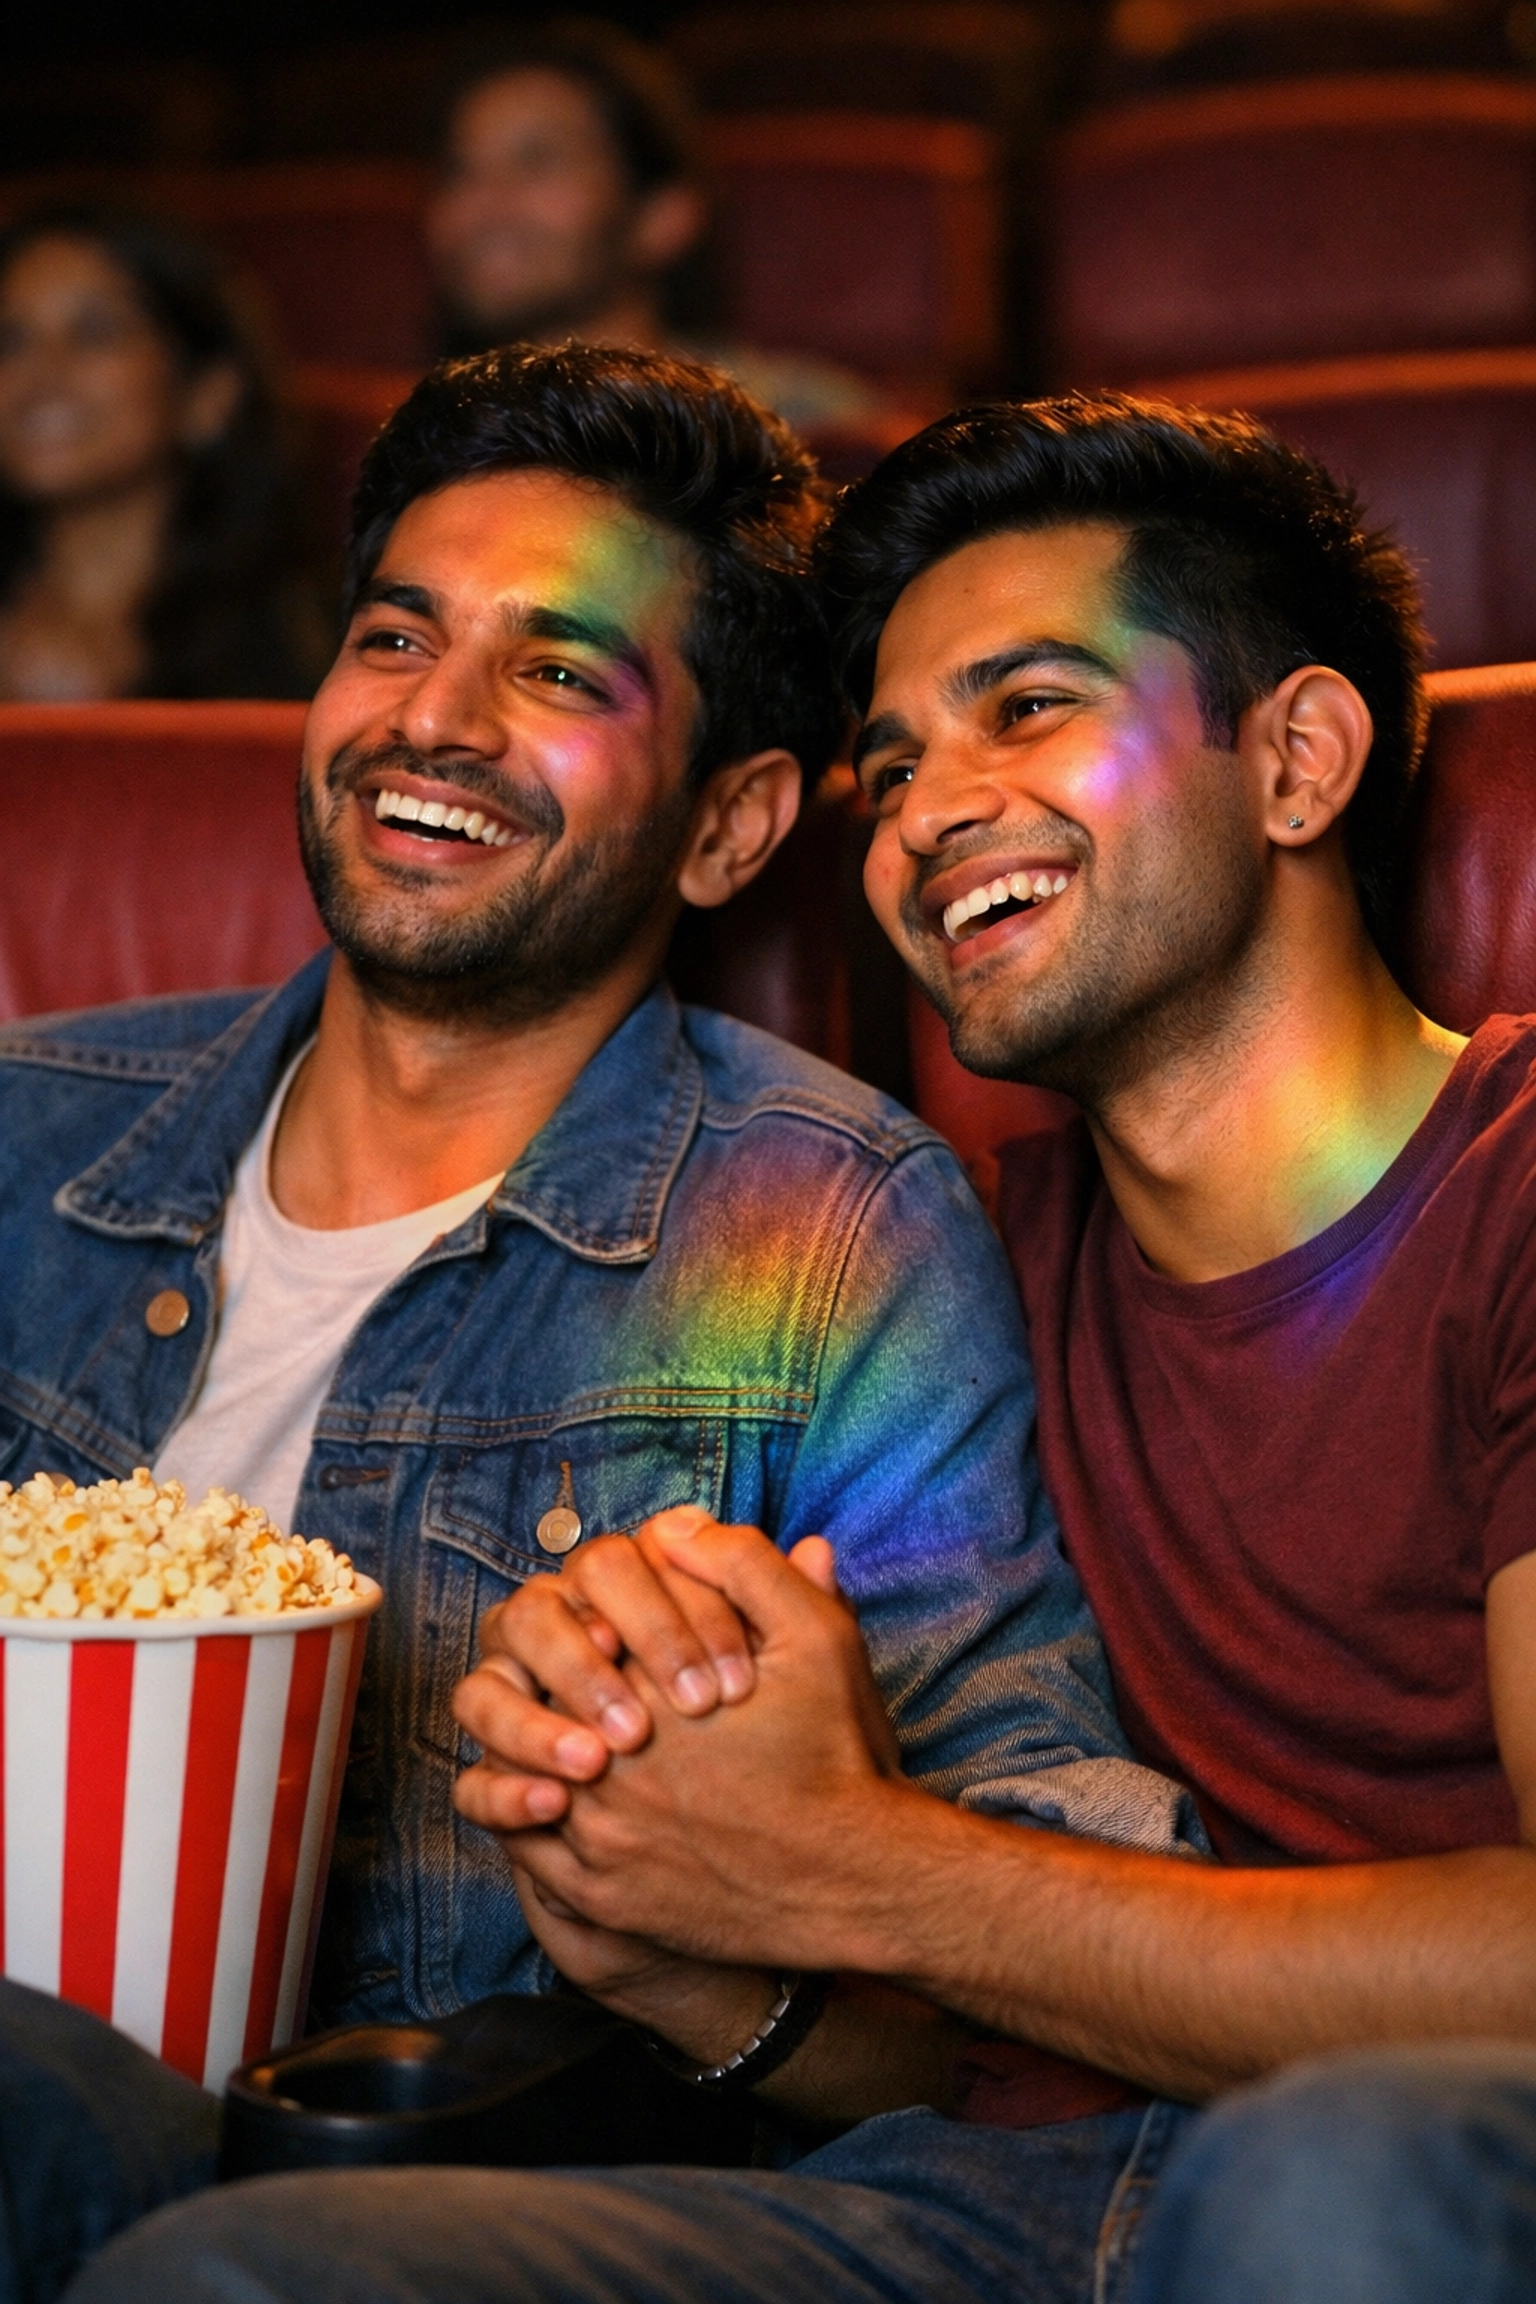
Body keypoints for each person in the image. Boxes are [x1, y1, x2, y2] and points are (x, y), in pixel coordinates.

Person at [78, 392, 1536, 2303]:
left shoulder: (1507, 1182)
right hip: (984, 2202)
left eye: (1026, 705)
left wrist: (858, 1862)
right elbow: (867, 1962)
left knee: (1327, 2173)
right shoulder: (928, 1254)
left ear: (1298, 757)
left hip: (1387, 2174)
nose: (928, 807)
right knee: (247, 2272)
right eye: (890, 755)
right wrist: (659, 1866)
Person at [426, 19, 897, 436]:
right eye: (460, 170)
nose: (480, 204)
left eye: (538, 162)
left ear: (663, 217)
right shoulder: (421, 440)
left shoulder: (797, 426)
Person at [0, 205, 325, 702]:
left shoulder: (302, 633)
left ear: (209, 394)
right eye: (11, 341)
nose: (39, 377)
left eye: (94, 333)